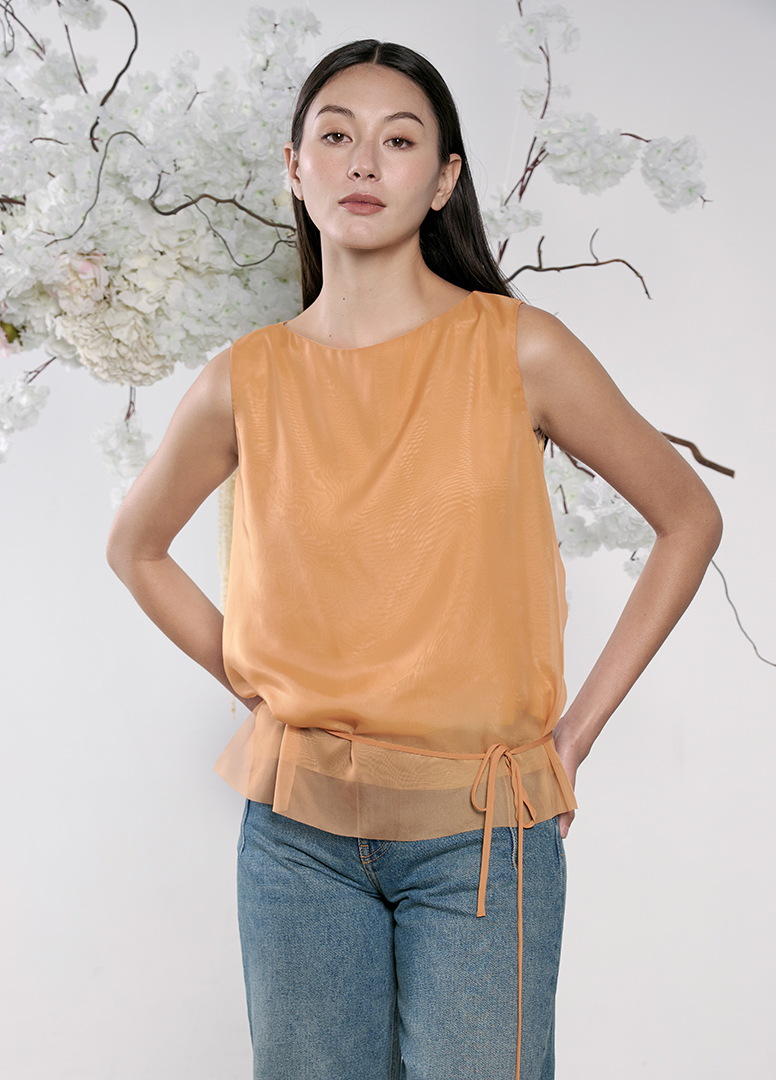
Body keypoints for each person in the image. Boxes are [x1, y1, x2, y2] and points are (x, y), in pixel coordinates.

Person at [106, 38, 723, 1080]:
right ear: (293, 167)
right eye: (334, 136)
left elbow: (687, 518)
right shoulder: (244, 379)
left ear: (442, 181)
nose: (362, 162)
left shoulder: (518, 347)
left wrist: (573, 739)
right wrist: (261, 686)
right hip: (295, 841)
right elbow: (135, 548)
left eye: (398, 141)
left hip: (481, 838)